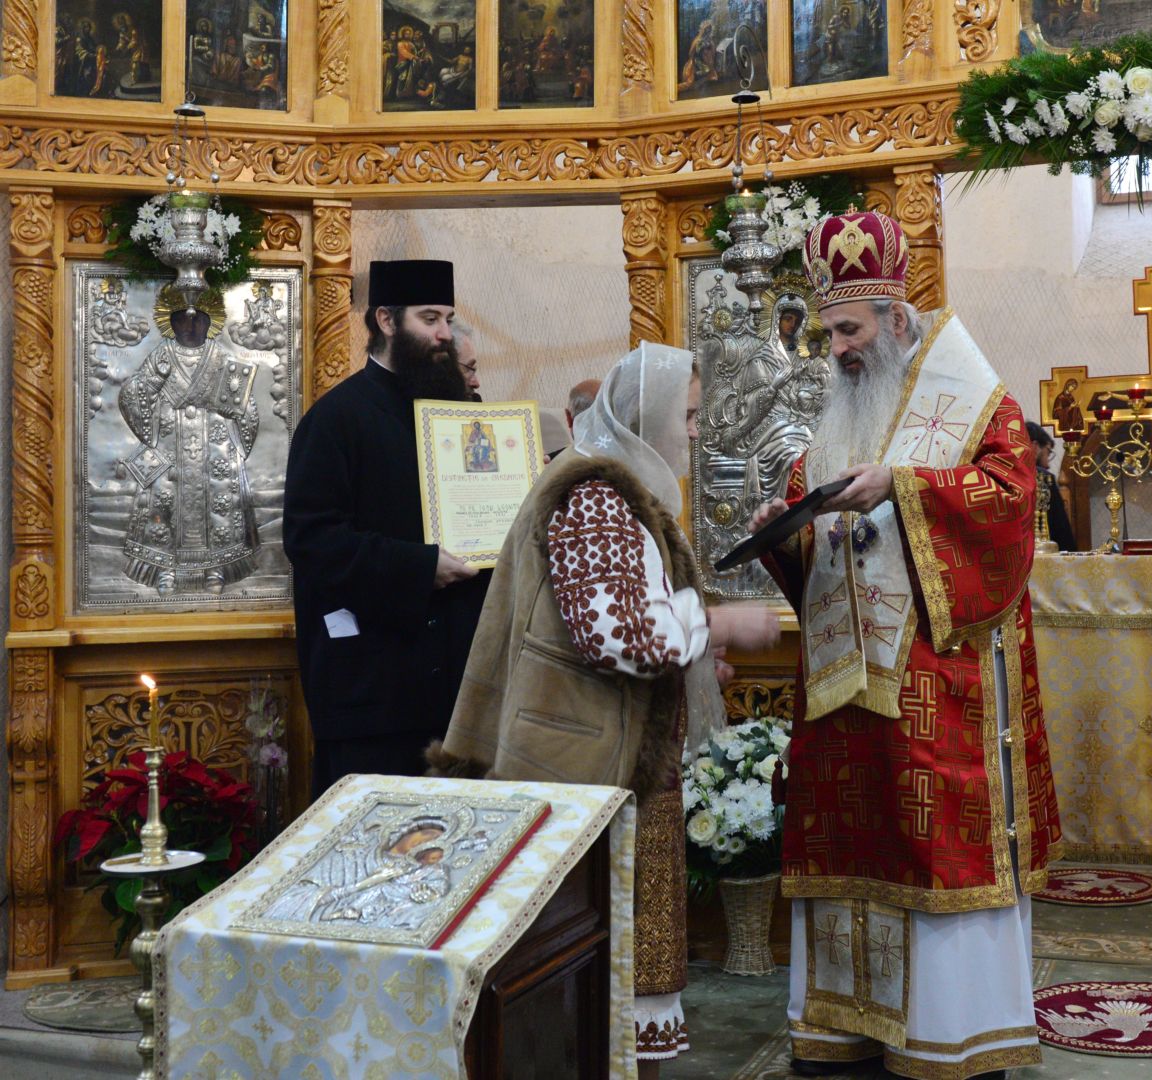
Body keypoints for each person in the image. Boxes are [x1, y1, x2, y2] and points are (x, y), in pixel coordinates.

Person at [749, 210, 1062, 1080]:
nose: (838, 348)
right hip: (846, 705)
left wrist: (907, 487)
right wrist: (784, 533)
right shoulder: (836, 420)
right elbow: (824, 560)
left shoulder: (970, 402)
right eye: (828, 331)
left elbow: (1009, 499)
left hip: (940, 694)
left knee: (933, 855)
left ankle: (950, 1036)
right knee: (851, 845)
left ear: (895, 317)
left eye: (850, 329)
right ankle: (847, 1031)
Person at [432, 343, 781, 1078]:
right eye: (683, 417)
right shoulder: (593, 493)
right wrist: (718, 627)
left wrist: (688, 655)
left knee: (626, 980)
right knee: (588, 988)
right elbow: (616, 632)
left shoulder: (616, 491)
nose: (693, 433)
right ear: (642, 419)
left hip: (613, 767)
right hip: (582, 771)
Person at [283, 259, 487, 799]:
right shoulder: (335, 420)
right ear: (387, 321)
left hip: (461, 696)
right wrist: (422, 567)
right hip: (374, 697)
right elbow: (312, 541)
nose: (444, 333)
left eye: (447, 318)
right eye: (429, 318)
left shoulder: (459, 416)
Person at [118, 300, 261, 595]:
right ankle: (165, 569)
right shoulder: (162, 355)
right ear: (172, 322)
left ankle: (215, 568)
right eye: (183, 319)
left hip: (215, 447)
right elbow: (133, 393)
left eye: (198, 320)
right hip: (171, 445)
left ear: (210, 323)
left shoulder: (219, 356)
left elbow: (243, 402)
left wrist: (238, 428)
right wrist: (152, 385)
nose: (191, 324)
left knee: (218, 503)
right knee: (164, 505)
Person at [1027, 421, 1078, 552]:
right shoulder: (1044, 478)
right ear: (1035, 447)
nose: (1048, 464)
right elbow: (1062, 532)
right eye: (1048, 452)